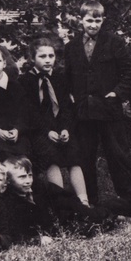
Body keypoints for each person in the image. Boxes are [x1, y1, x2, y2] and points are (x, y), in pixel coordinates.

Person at [64, 0, 131, 210]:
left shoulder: (114, 42)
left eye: (97, 20)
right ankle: (90, 199)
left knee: (118, 153)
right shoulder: (71, 47)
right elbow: (66, 78)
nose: (93, 24)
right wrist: (71, 99)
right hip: (83, 112)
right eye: (88, 20)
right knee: (85, 155)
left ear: (103, 20)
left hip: (109, 109)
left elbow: (130, 72)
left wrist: (117, 94)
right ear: (80, 20)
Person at [20, 37, 89, 204]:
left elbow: (66, 108)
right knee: (51, 156)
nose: (47, 60)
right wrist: (47, 131)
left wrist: (65, 128)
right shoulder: (25, 81)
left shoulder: (60, 79)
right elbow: (29, 112)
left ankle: (83, 201)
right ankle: (61, 202)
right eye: (42, 56)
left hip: (60, 129)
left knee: (73, 154)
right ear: (32, 58)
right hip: (38, 131)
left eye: (51, 56)